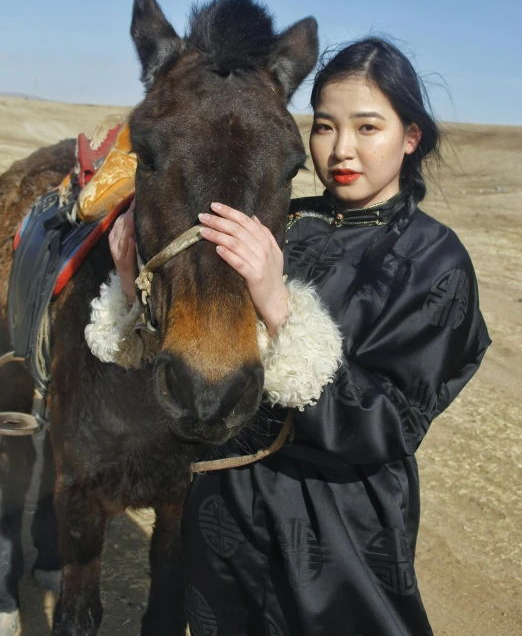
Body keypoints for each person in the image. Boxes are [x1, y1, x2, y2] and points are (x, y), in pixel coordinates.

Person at [86, 38, 491, 635]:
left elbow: (390, 424)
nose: (341, 149)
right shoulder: (280, 221)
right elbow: (197, 349)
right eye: (324, 127)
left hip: (336, 530)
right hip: (223, 516)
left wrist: (279, 308)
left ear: (411, 137)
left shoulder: (434, 262)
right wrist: (134, 283)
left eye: (368, 127)